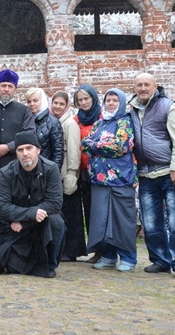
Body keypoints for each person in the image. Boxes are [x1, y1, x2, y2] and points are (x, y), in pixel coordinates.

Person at [130, 72, 175, 280]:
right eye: (139, 85)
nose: (143, 88)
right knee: (150, 221)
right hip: (146, 175)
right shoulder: (132, 109)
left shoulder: (169, 107)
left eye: (147, 84)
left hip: (169, 173)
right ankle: (160, 260)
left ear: (155, 87)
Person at [0, 130, 65, 278]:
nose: (25, 153)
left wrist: (26, 220)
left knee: (56, 221)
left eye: (29, 148)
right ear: (16, 153)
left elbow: (54, 203)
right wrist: (31, 214)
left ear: (38, 150)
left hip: (40, 224)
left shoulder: (51, 169)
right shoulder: (6, 172)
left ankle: (50, 264)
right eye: (20, 150)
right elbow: (2, 207)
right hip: (14, 228)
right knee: (14, 268)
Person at [81, 88, 138, 272]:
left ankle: (128, 258)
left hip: (121, 179)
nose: (111, 103)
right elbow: (85, 144)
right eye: (108, 100)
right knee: (102, 220)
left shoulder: (125, 122)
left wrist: (96, 145)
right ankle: (108, 256)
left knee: (122, 220)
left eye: (115, 100)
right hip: (99, 180)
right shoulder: (99, 124)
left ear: (121, 103)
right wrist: (100, 145)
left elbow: (120, 146)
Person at [0, 69, 34, 256]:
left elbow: (29, 134)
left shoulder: (23, 111)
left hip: (14, 169)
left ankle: (8, 246)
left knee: (10, 207)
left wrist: (10, 147)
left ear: (15, 89)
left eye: (10, 86)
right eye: (3, 86)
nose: (6, 90)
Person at [69, 84, 102, 263]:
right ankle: (93, 249)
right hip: (84, 172)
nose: (83, 103)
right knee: (88, 211)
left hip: (102, 172)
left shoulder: (103, 117)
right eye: (80, 100)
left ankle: (103, 250)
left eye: (86, 99)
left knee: (100, 212)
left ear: (93, 98)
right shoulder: (76, 120)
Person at [49, 91, 81, 261]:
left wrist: (72, 173)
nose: (58, 107)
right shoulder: (53, 121)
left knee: (70, 214)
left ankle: (71, 250)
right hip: (57, 175)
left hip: (67, 174)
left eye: (61, 104)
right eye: (55, 103)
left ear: (67, 106)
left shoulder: (69, 124)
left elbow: (74, 150)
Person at [25, 88, 63, 169]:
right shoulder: (26, 120)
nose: (32, 104)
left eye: (35, 100)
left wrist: (54, 173)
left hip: (46, 170)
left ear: (42, 101)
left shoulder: (53, 122)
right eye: (29, 101)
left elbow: (58, 152)